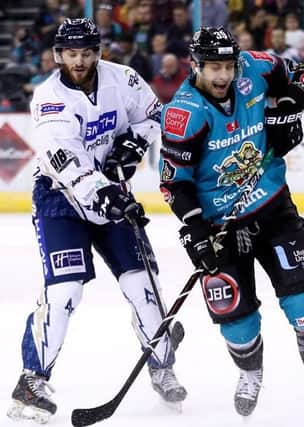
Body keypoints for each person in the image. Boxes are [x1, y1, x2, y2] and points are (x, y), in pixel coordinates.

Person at [158, 27, 304, 427]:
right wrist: (195, 230)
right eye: (213, 67)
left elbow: (299, 76)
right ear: (195, 65)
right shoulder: (184, 114)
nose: (222, 76)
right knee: (238, 324)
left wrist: (289, 107)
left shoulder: (256, 66)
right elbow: (173, 183)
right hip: (219, 226)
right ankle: (250, 371)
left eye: (227, 67)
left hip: (272, 209)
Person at [6, 18, 187, 424]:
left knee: (143, 283)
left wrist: (135, 141)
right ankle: (32, 379)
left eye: (87, 52)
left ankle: (161, 363)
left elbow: (156, 114)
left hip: (112, 195)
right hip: (60, 201)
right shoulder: (49, 99)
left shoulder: (123, 79)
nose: (80, 60)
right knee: (65, 292)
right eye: (71, 54)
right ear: (59, 55)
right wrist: (105, 193)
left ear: (98, 52)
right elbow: (64, 161)